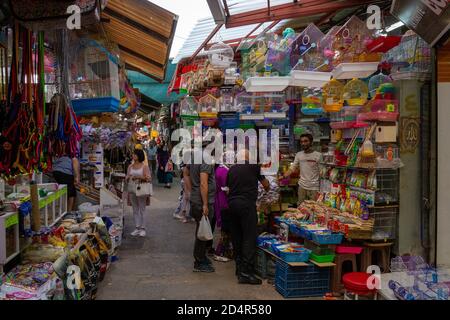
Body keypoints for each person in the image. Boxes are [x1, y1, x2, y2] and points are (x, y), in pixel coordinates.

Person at [227, 149, 270, 285]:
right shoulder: (254, 167)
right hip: (246, 205)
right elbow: (266, 185)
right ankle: (246, 273)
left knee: (237, 236)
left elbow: (228, 188)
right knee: (249, 237)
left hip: (232, 205)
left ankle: (239, 269)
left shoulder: (231, 170)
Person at [184, 147, 216, 273]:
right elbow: (203, 183)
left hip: (197, 198)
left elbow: (185, 172)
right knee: (202, 230)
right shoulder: (205, 158)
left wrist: (191, 191)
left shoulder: (195, 156)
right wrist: (205, 204)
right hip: (202, 201)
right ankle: (199, 261)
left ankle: (201, 257)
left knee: (201, 228)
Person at [282, 133, 322, 206]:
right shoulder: (299, 154)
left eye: (306, 141)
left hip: (314, 188)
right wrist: (283, 176)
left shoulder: (318, 155)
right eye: (301, 142)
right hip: (302, 187)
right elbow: (292, 168)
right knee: (301, 208)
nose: (303, 143)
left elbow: (322, 172)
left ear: (311, 142)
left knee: (314, 209)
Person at [126, 149, 151, 237]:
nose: (133, 155)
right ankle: (137, 227)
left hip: (141, 189)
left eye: (135, 154)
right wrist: (128, 177)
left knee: (142, 209)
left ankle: (143, 228)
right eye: (133, 154)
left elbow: (148, 178)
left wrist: (138, 177)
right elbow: (127, 177)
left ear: (139, 156)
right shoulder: (130, 166)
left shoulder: (144, 166)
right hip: (132, 190)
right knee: (135, 209)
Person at [213, 161, 233, 262]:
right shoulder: (223, 170)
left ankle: (224, 251)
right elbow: (227, 189)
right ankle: (220, 251)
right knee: (226, 229)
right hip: (224, 202)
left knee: (225, 229)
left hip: (221, 201)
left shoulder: (220, 169)